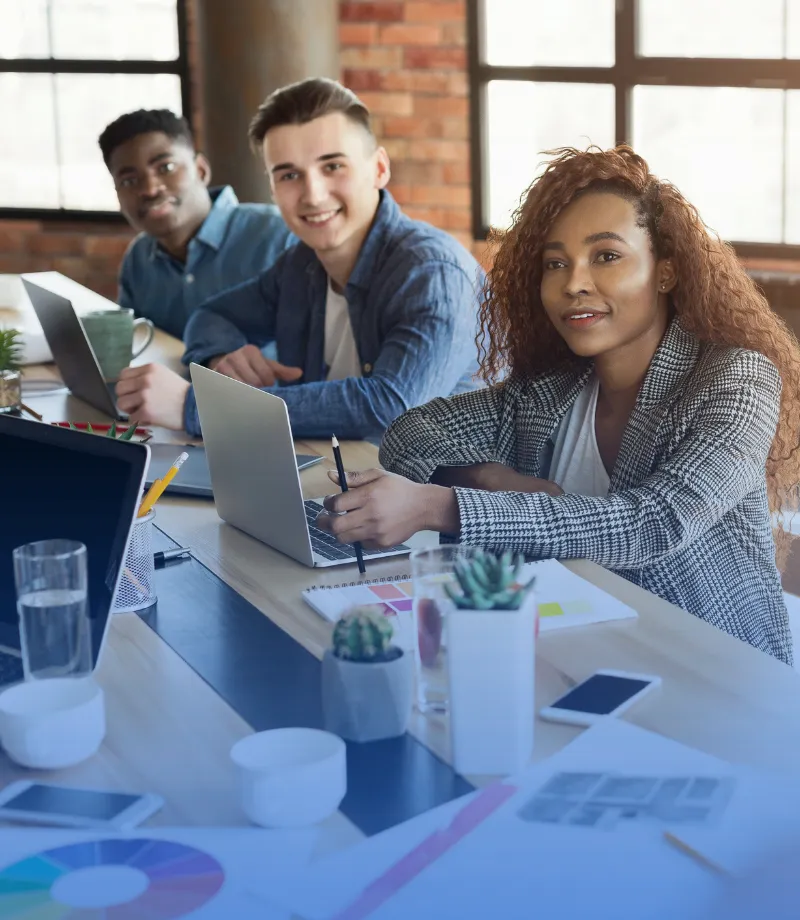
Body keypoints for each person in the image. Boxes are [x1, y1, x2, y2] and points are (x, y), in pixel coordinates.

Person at [316, 145, 800, 665]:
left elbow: (654, 523)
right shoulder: (555, 386)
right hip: (577, 648)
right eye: (555, 263)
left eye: (606, 256)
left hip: (715, 668)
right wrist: (489, 479)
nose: (574, 283)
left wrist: (442, 506)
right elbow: (411, 435)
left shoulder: (736, 378)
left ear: (666, 272)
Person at [114, 79, 483, 439]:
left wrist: (198, 407)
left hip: (450, 491)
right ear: (272, 187)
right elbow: (212, 315)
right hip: (336, 473)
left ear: (379, 169)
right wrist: (221, 357)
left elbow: (389, 405)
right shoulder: (302, 264)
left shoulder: (432, 272)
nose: (313, 195)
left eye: (333, 166)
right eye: (289, 174)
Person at [99, 108, 293, 340]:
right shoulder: (139, 259)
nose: (150, 189)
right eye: (129, 180)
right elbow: (136, 347)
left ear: (201, 170)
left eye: (166, 168)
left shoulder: (279, 236)